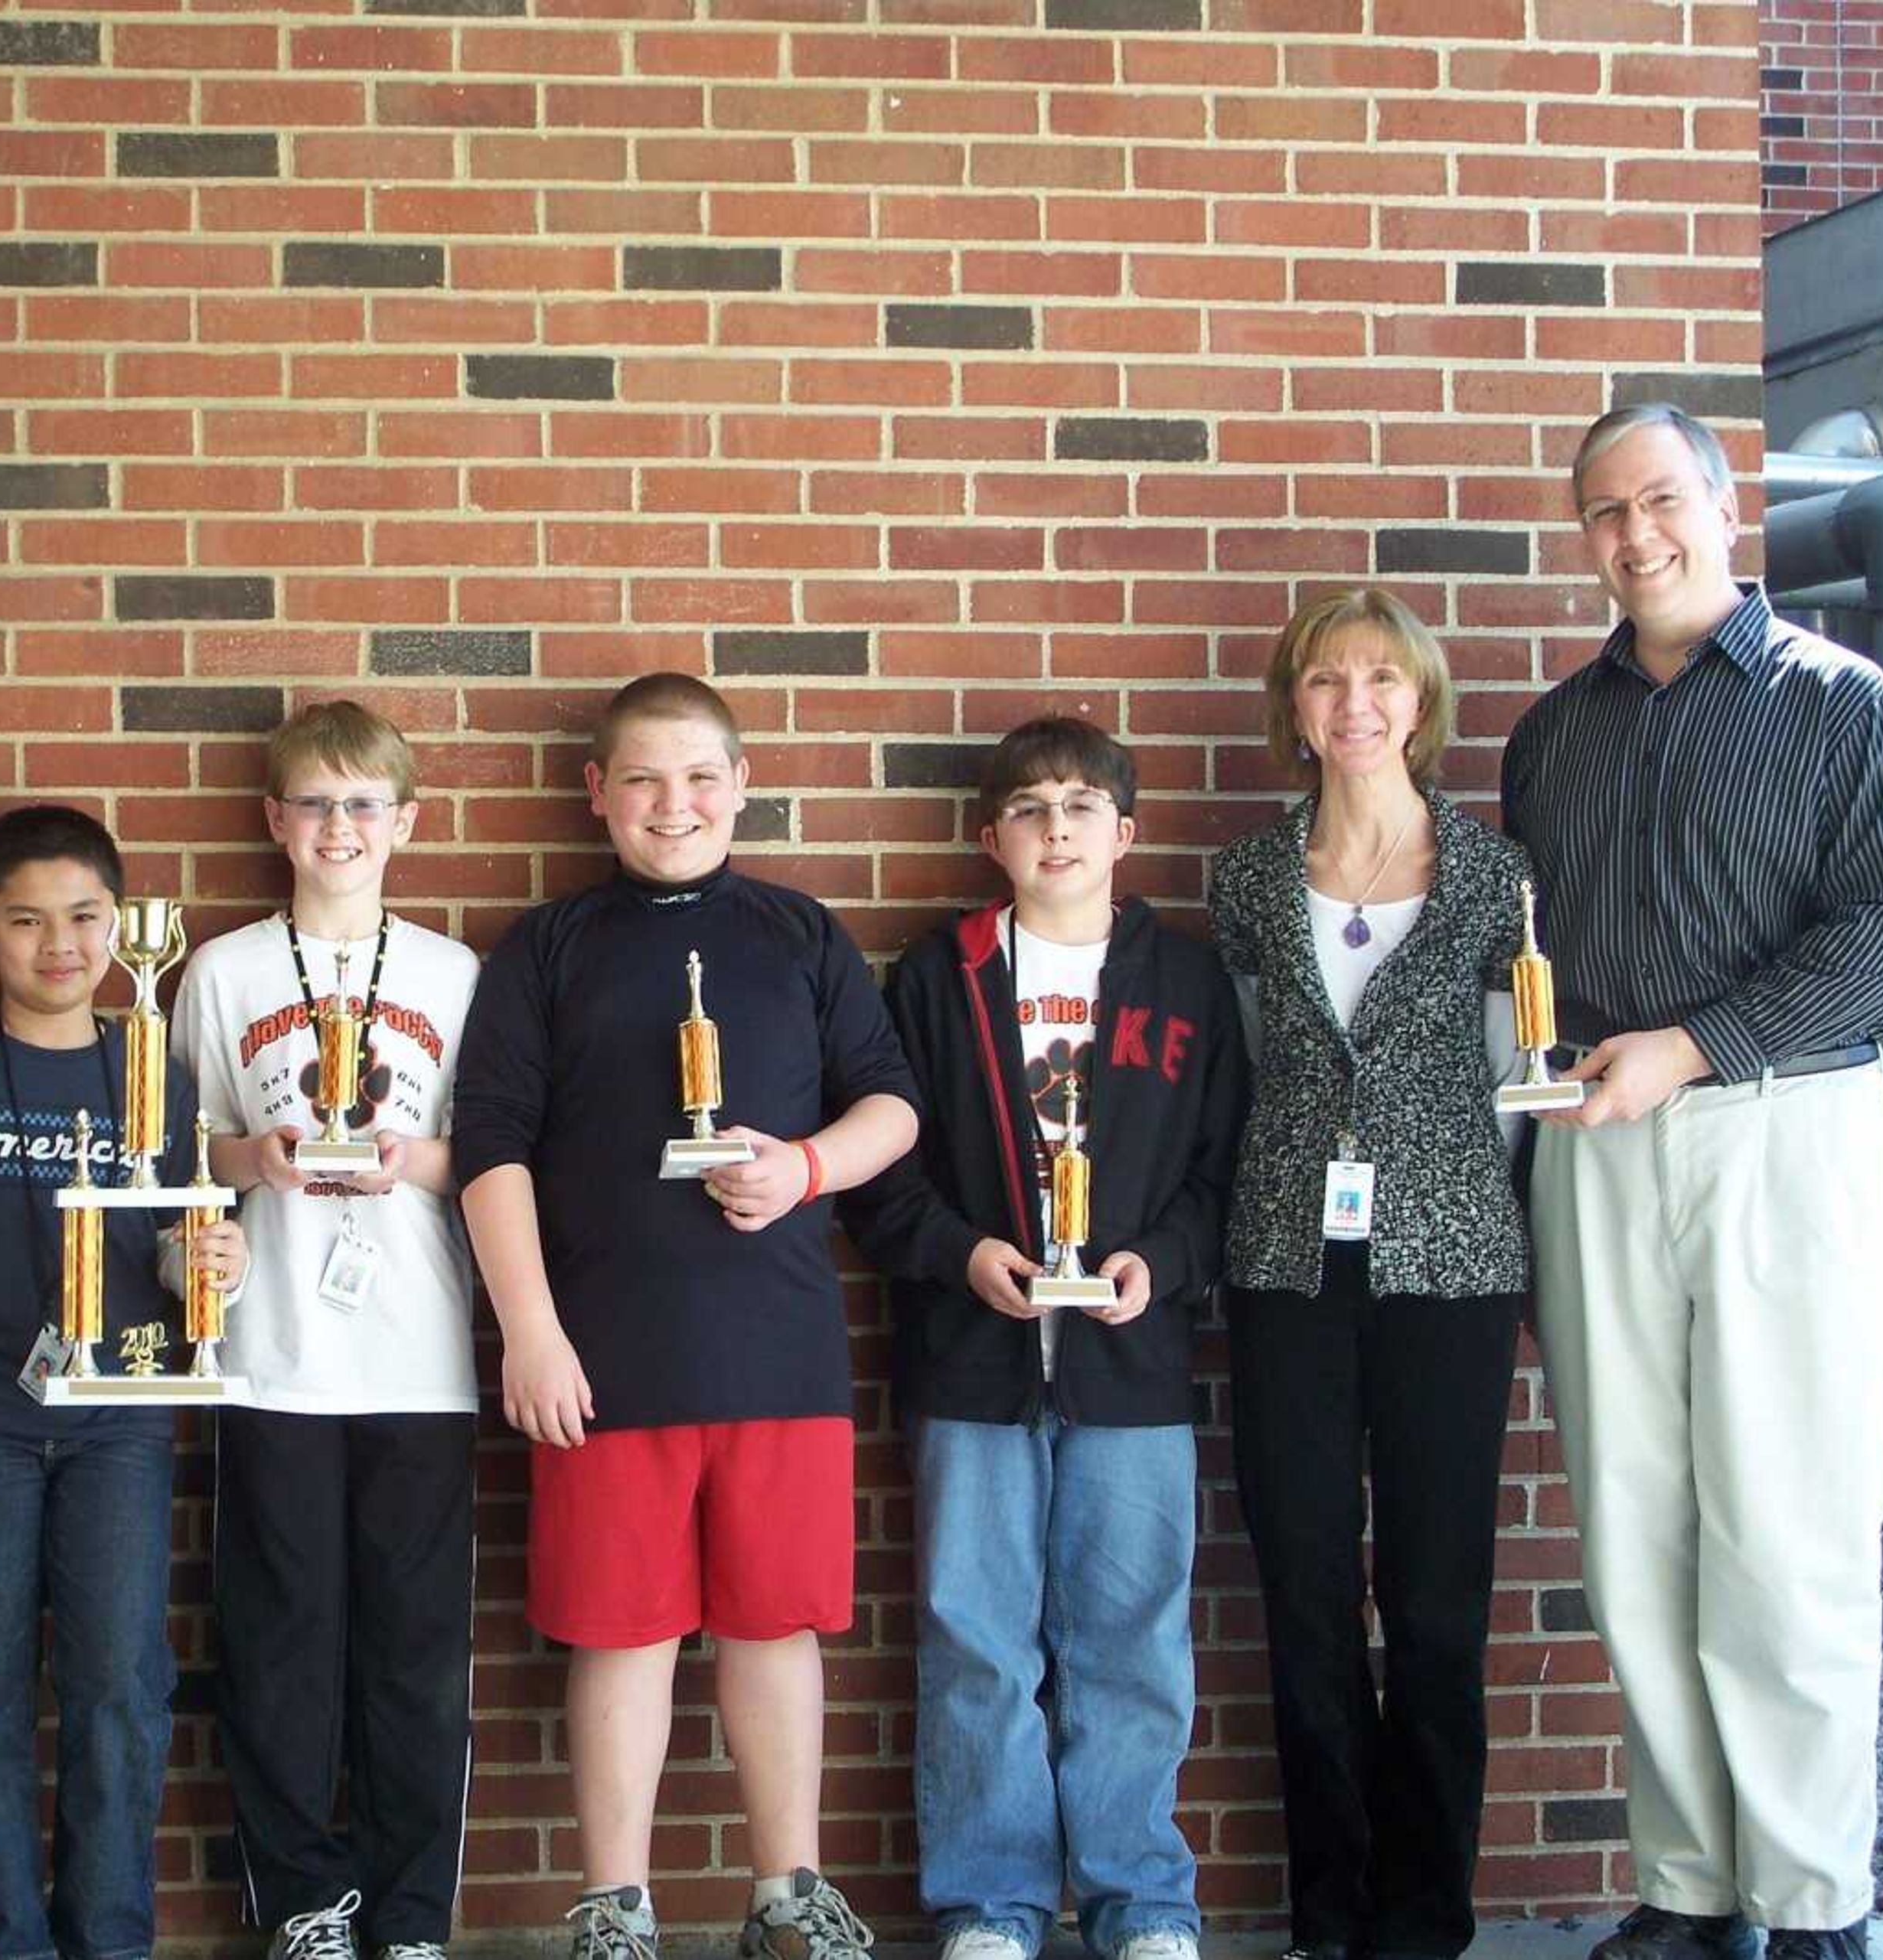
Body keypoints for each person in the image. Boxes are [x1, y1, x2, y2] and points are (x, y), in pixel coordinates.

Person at [1503, 404, 1883, 1960]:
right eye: (1607, 511)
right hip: (1600, 1151)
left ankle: (1812, 1894)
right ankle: (1688, 1887)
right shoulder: (1553, 736)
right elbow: (1531, 966)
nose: (1638, 534)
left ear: (1725, 500)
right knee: (1633, 1524)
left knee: (1792, 1526)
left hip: (1784, 1133)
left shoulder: (1839, 702)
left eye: (1664, 498)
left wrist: (1689, 1047)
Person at [452, 673, 920, 1960]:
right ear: (597, 794)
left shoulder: (799, 932)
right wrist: (531, 1330)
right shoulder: (546, 947)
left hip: (778, 1349)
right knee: (621, 1630)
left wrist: (805, 1168)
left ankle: (789, 1892)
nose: (676, 804)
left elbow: (892, 1105)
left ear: (743, 785)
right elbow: (490, 1147)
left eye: (701, 776)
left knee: (778, 1625)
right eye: (644, 779)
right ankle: (617, 1906)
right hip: (605, 1359)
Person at [844, 715, 1246, 1960]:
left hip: (1133, 1375)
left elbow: (1224, 1170)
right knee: (977, 1640)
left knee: (1133, 1641)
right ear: (990, 838)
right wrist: (963, 1254)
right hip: (976, 1365)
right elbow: (882, 1171)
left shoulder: (1185, 984)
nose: (1057, 828)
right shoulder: (935, 977)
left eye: (1082, 806)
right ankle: (992, 1901)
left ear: (1126, 832)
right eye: (1030, 808)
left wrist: (1159, 1265)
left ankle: (1143, 1900)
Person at [0, 804, 250, 1960]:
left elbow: (176, 1237)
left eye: (84, 917)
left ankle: (110, 1940)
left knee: (118, 1689)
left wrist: (208, 1261)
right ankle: (2, 1943)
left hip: (119, 1418)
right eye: (26, 921)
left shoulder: (155, 1071)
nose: (59, 944)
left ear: (122, 928)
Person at [1207, 590, 1535, 1960]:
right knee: (1301, 1586)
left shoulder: (1493, 876)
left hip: (1451, 1263)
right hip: (1286, 1257)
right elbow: (1235, 1060)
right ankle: (1327, 1911)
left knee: (1438, 1592)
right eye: (1328, 679)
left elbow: (1524, 1075)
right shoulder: (1243, 878)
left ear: (1422, 703)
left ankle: (1426, 1914)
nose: (1355, 702)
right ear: (1296, 707)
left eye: (1383, 680)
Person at [173, 703, 483, 1960]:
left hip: (420, 1355)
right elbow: (174, 1152)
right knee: (282, 1643)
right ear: (274, 821)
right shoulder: (223, 971)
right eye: (314, 802)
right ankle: (307, 1901)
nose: (338, 827)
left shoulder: (455, 975)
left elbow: (499, 1161)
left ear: (406, 822)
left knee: (414, 1651)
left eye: (364, 804)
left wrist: (410, 1162)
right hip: (272, 1352)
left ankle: (410, 1917)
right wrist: (252, 1159)